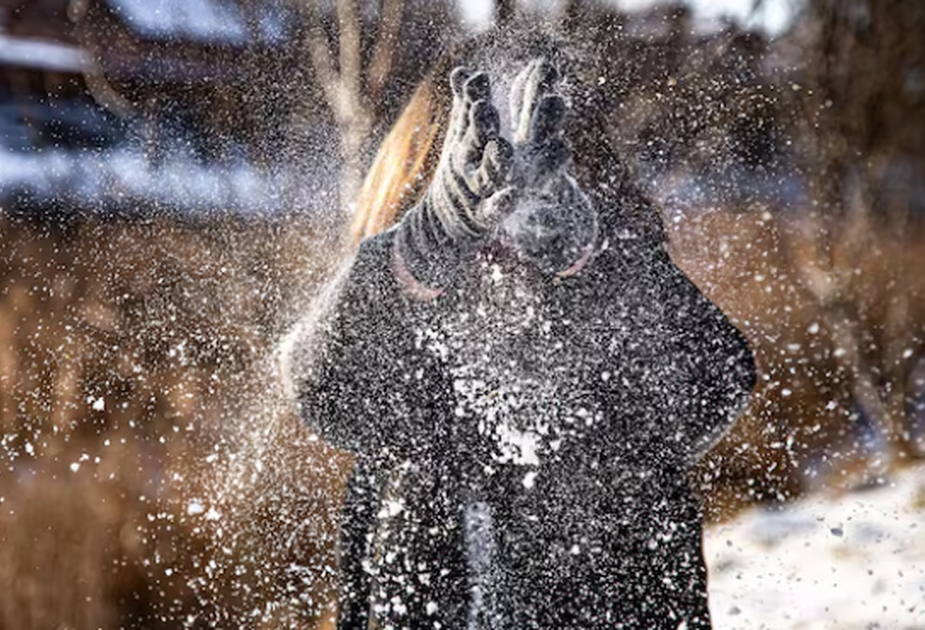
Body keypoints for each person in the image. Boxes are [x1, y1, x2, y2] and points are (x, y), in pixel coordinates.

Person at [279, 33, 757, 630]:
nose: (504, 214)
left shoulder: (621, 304)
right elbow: (322, 393)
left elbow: (716, 383)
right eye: (479, 168)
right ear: (426, 177)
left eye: (536, 169)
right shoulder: (400, 326)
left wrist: (592, 263)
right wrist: (416, 253)